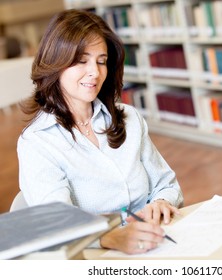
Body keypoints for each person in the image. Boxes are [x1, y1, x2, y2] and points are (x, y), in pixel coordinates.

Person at [17, 9, 183, 255]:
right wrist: (111, 238)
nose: (95, 72)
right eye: (82, 60)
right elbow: (57, 222)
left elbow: (166, 183)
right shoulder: (37, 142)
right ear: (56, 63)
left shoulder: (129, 118)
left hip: (157, 241)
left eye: (101, 61)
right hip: (96, 255)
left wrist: (161, 202)